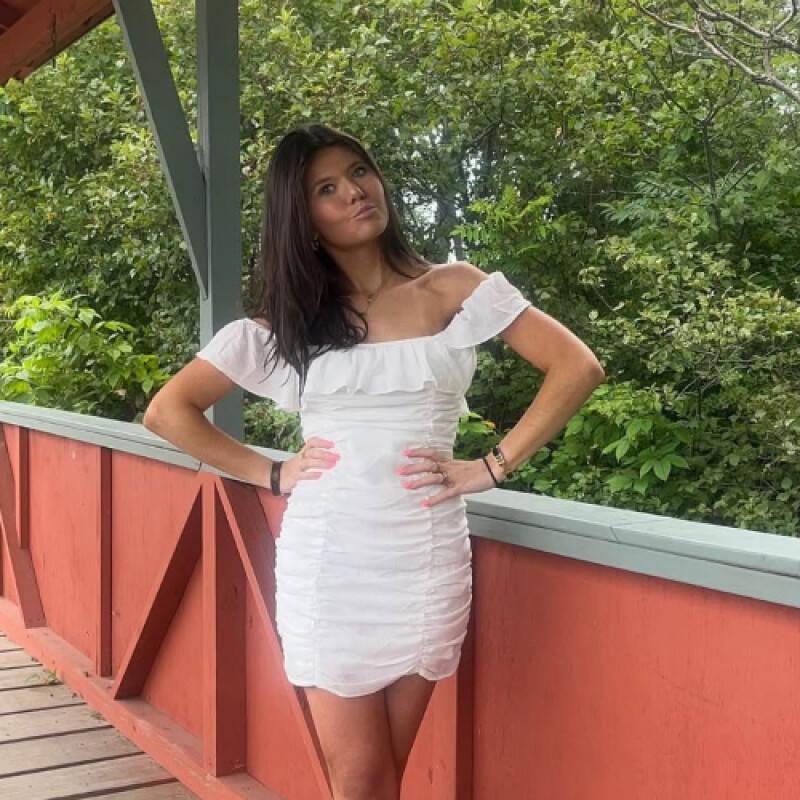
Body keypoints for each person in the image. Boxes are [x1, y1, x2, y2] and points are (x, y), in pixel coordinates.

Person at [143, 123, 605, 800]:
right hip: (331, 559)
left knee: (384, 773)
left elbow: (577, 366)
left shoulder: (454, 287)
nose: (355, 192)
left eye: (359, 172)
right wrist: (271, 472)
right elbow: (168, 411)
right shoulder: (289, 323)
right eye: (327, 189)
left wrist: (490, 466)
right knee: (359, 779)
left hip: (425, 551)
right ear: (303, 218)